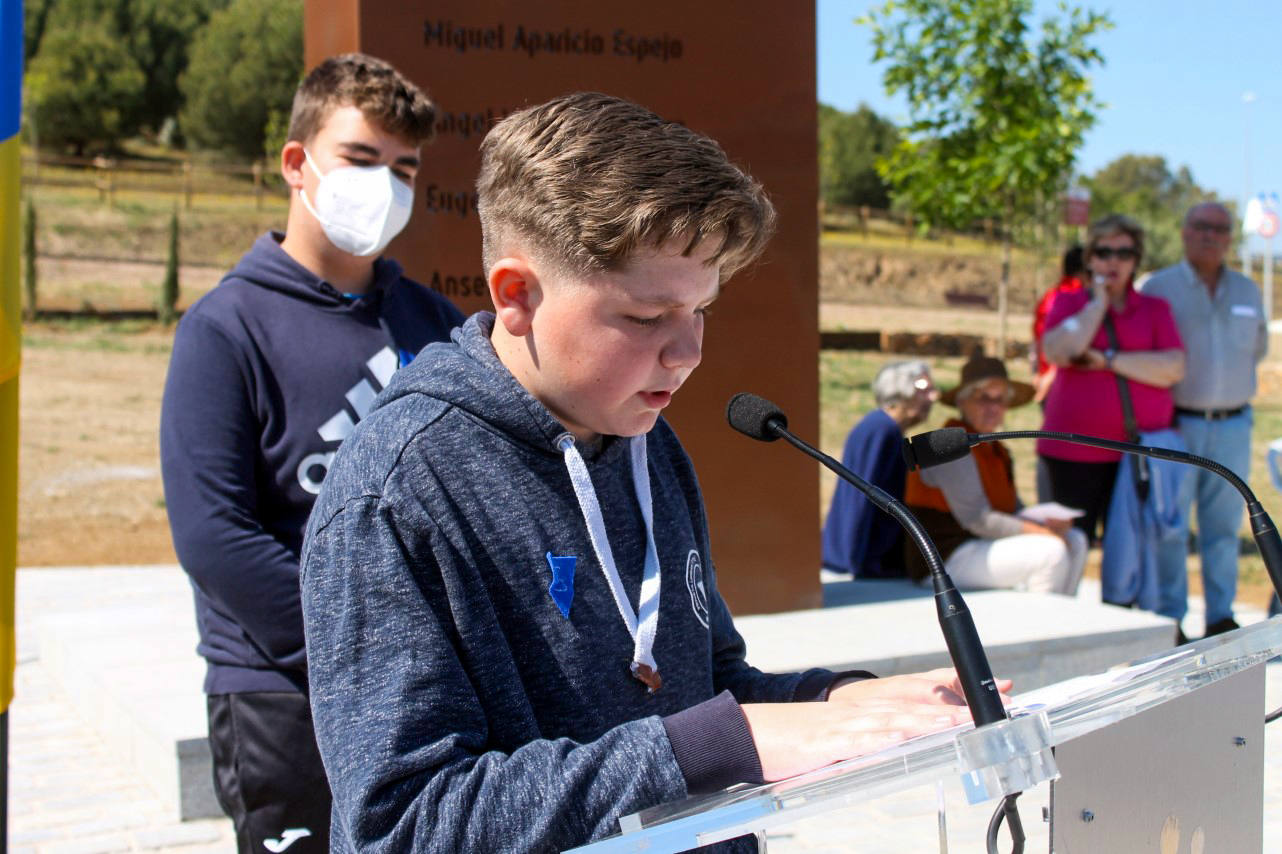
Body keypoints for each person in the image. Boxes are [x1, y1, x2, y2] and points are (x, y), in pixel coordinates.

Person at [299, 92, 990, 853]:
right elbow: (403, 826)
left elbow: (710, 686)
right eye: (645, 316)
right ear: (517, 296)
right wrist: (719, 746)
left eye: (703, 312)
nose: (688, 352)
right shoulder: (395, 492)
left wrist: (840, 701)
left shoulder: (646, 441)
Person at [159, 54, 465, 853]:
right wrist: (356, 642)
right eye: (360, 159)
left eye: (404, 168)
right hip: (281, 695)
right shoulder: (226, 329)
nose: (386, 185)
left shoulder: (436, 323)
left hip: (430, 692)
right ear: (297, 164)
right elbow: (213, 537)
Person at [1141, 202, 1269, 637]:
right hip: (1176, 425)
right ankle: (1171, 618)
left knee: (1224, 528)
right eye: (1201, 226)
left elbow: (1258, 350)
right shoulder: (1157, 287)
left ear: (1231, 238)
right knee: (1172, 528)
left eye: (1221, 228)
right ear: (1183, 231)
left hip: (1234, 425)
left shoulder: (1249, 292)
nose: (1211, 235)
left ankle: (1220, 616)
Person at [1038, 215, 1185, 545]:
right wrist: (1098, 305)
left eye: (1124, 253)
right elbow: (1061, 351)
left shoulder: (1155, 308)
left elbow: (1172, 367)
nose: (1113, 261)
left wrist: (1108, 361)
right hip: (1072, 452)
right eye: (1104, 252)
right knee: (1066, 547)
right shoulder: (1068, 302)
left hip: (1137, 454)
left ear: (1136, 260)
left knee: (1132, 556)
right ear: (1090, 259)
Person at [902, 354, 1088, 594]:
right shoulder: (950, 447)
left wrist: (1047, 523)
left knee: (1076, 541)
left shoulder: (996, 449)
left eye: (1000, 400)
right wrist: (1042, 531)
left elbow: (1012, 509)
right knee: (1050, 553)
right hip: (943, 557)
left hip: (980, 544)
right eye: (984, 398)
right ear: (963, 401)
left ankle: (1062, 617)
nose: (993, 408)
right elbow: (977, 519)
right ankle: (1043, 627)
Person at [821, 360, 938, 578]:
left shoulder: (881, 427)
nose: (933, 397)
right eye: (924, 388)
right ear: (900, 389)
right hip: (866, 564)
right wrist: (857, 559)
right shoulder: (882, 429)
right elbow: (862, 497)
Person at [1031, 244, 1086, 403]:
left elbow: (1037, 337)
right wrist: (1050, 377)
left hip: (1044, 377)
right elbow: (1067, 345)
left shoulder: (1050, 295)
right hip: (1061, 380)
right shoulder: (1078, 300)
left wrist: (1037, 373)